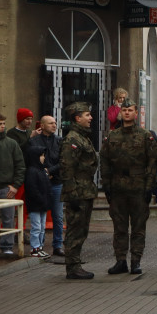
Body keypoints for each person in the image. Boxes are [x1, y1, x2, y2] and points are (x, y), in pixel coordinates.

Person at [99, 98, 157, 274]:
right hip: (118, 188)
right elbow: (104, 161)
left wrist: (149, 186)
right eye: (124, 110)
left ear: (136, 113)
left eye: (130, 110)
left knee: (138, 227)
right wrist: (107, 184)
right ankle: (120, 260)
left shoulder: (145, 136)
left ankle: (135, 260)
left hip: (138, 187)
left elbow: (152, 162)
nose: (126, 112)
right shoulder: (112, 136)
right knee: (119, 227)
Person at [60, 103, 98, 278]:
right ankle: (72, 267)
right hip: (77, 191)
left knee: (81, 229)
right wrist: (72, 193)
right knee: (75, 229)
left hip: (85, 190)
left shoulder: (83, 137)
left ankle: (75, 264)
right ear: (77, 118)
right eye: (87, 115)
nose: (90, 118)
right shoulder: (73, 139)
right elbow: (67, 168)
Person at [27, 116, 64, 256]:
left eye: (55, 123)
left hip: (56, 182)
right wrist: (42, 173)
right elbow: (31, 160)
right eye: (51, 123)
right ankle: (39, 246)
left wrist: (49, 171)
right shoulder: (33, 141)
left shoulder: (60, 141)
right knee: (40, 218)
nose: (54, 125)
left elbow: (63, 161)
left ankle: (57, 245)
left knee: (58, 216)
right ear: (42, 125)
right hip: (40, 183)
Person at [0, 113, 26, 257]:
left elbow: (20, 166)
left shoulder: (11, 143)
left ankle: (7, 246)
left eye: (3, 123)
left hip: (6, 187)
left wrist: (15, 185)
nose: (2, 126)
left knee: (8, 217)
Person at [24, 140, 52, 257]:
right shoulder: (32, 171)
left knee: (41, 227)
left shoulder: (42, 171)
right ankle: (35, 247)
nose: (43, 158)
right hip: (36, 204)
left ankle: (39, 246)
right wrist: (41, 199)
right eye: (41, 155)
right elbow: (32, 189)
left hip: (42, 204)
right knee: (36, 226)